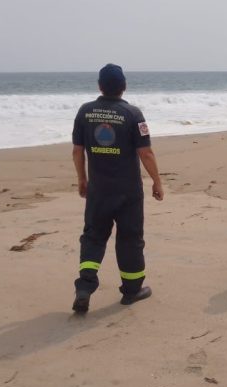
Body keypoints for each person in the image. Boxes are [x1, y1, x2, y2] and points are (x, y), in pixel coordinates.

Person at [71, 63, 164, 314]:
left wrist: (82, 179)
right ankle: (132, 290)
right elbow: (145, 152)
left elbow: (78, 151)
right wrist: (157, 181)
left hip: (98, 190)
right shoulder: (133, 114)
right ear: (124, 86)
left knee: (93, 236)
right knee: (130, 239)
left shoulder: (85, 112)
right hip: (128, 192)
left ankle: (85, 287)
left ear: (100, 86)